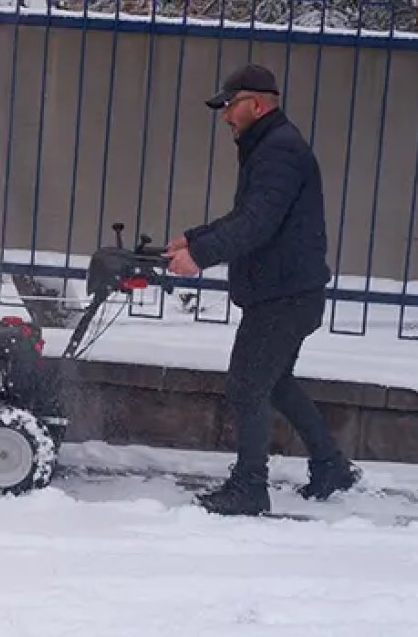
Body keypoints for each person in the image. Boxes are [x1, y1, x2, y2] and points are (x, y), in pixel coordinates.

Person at [162, 64, 360, 516]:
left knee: (247, 387)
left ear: (257, 103)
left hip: (283, 296)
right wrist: (194, 238)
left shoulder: (279, 151)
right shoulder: (269, 146)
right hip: (289, 291)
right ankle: (330, 465)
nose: (225, 116)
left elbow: (257, 223)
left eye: (230, 106)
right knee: (276, 384)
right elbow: (246, 214)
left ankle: (250, 487)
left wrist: (201, 256)